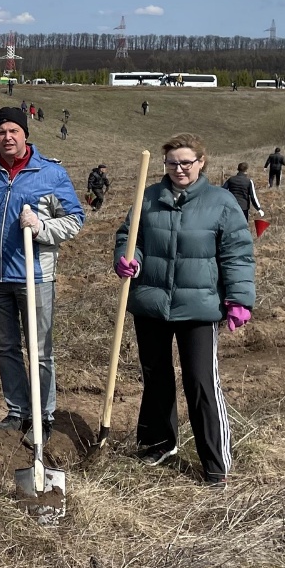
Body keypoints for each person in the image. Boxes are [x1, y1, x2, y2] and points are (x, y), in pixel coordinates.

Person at [114, 133, 255, 488]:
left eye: (186, 163)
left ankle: (216, 465)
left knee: (201, 382)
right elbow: (130, 237)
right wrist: (128, 259)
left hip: (199, 307)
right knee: (156, 377)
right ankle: (159, 444)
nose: (179, 169)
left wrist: (239, 299)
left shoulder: (221, 202)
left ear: (201, 162)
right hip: (151, 303)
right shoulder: (148, 198)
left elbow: (237, 254)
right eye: (172, 163)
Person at [0, 108, 85, 443]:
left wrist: (41, 227)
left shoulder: (51, 173)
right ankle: (17, 411)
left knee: (40, 352)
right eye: (1, 132)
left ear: (25, 133)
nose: (8, 137)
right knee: (6, 348)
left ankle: (43, 416)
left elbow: (75, 219)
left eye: (14, 130)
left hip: (35, 277)